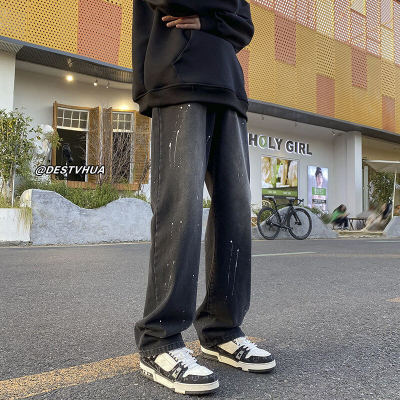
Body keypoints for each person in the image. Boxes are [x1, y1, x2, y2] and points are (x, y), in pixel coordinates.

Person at [132, 0, 276, 395]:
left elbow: (244, 25)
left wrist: (211, 18)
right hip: (178, 77)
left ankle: (221, 329)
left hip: (228, 87)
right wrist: (222, 15)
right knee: (181, 209)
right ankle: (159, 339)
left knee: (235, 211)